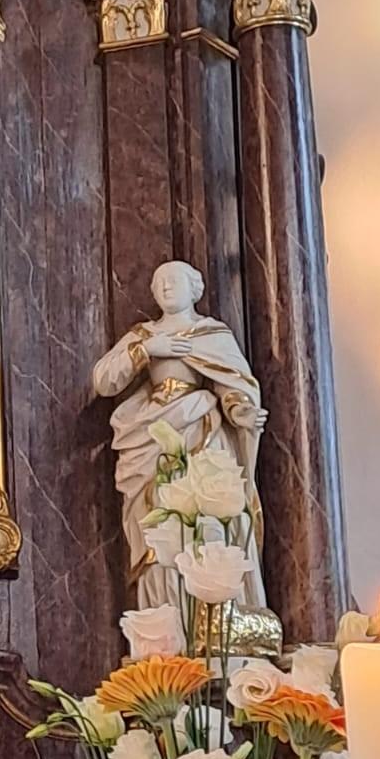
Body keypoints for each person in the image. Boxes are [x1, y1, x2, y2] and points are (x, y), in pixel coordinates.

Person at [93, 260, 268, 610]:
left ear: (194, 289)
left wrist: (241, 411)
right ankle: (165, 621)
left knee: (206, 523)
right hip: (151, 435)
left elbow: (232, 386)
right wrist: (146, 351)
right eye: (159, 283)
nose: (167, 287)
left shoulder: (212, 334)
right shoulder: (144, 335)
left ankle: (213, 618)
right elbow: (103, 380)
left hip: (200, 428)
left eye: (174, 280)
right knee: (156, 530)